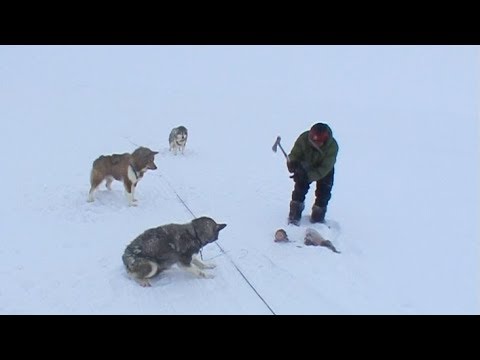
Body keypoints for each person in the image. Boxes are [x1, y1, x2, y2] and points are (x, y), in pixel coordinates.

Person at [287, 123, 338, 225]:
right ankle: (294, 213)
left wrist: (308, 176)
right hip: (305, 166)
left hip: (325, 171)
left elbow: (325, 168)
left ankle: (318, 216)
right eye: (313, 141)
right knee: (299, 190)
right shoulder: (303, 139)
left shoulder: (332, 147)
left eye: (319, 142)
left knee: (324, 193)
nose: (315, 144)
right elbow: (294, 154)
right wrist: (292, 164)